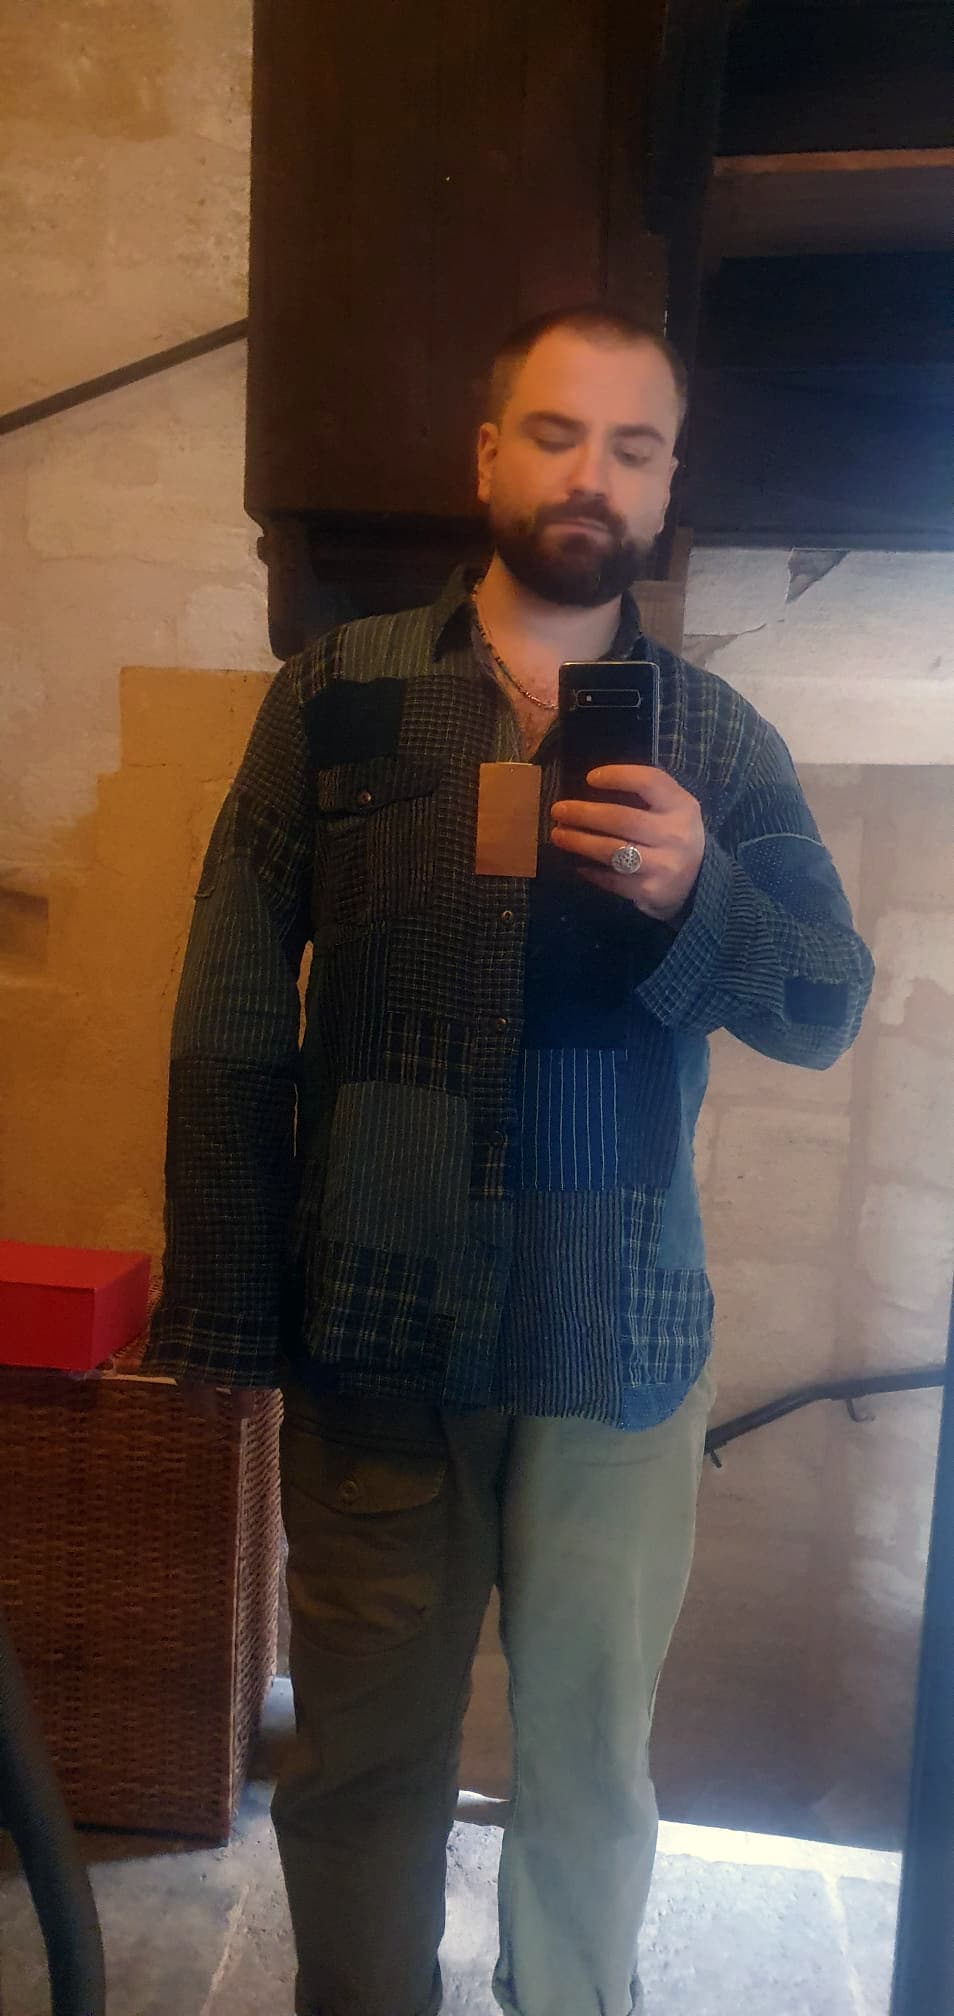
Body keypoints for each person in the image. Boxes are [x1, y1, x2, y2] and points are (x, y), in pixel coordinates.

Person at [145, 305, 875, 2016]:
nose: (590, 474)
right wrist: (225, 1313)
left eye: (632, 445)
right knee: (357, 1769)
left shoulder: (717, 743)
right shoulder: (332, 698)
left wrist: (703, 897)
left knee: (588, 1778)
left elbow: (825, 1004)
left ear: (668, 482)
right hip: (371, 1331)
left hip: (612, 1343)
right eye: (555, 433)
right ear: (489, 456)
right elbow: (231, 1012)